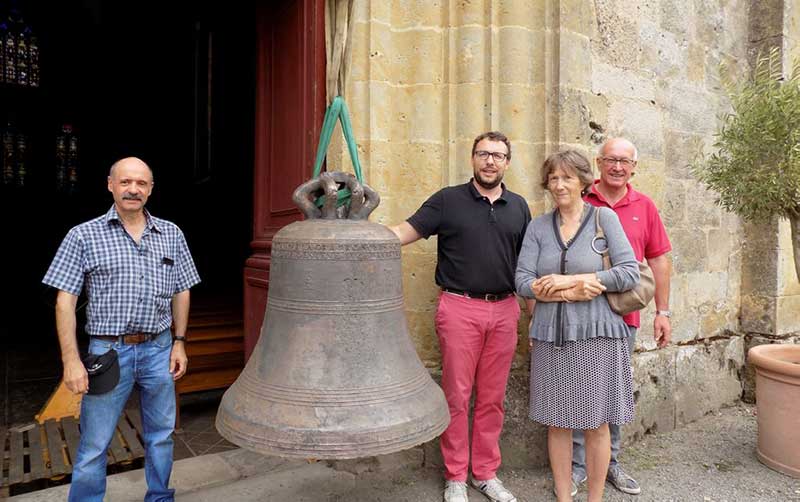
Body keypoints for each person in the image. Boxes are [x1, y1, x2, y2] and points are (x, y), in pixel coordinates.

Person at [42, 157, 201, 502]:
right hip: (107, 353)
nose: (133, 189)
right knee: (95, 443)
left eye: (141, 183)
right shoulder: (83, 235)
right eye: (126, 182)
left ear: (151, 189)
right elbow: (64, 303)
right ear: (110, 185)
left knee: (161, 435)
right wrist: (71, 361)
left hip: (159, 349)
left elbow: (182, 289)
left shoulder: (171, 233)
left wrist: (179, 342)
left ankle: (160, 497)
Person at [389, 131, 531, 502]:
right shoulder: (447, 201)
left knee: (492, 398)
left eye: (498, 155)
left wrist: (533, 315)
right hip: (459, 308)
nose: (490, 161)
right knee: (456, 395)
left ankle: (485, 473)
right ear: (472, 158)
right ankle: (455, 476)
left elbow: (527, 266)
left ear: (507, 162)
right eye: (483, 153)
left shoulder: (519, 207)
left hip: (504, 309)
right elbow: (404, 232)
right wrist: (359, 236)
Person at [515, 149, 639, 502]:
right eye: (553, 178)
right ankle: (564, 496)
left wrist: (583, 279)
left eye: (567, 177)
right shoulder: (538, 227)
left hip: (597, 332)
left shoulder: (604, 219)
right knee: (558, 421)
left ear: (584, 181)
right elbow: (522, 280)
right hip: (551, 334)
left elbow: (629, 272)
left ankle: (595, 498)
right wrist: (563, 290)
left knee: (597, 422)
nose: (558, 184)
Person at [570, 137, 673, 496]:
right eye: (611, 160)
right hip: (577, 315)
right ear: (598, 163)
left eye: (624, 162)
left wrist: (662, 311)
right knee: (577, 390)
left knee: (612, 393)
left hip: (621, 317)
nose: (617, 167)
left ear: (634, 168)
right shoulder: (580, 201)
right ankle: (578, 466)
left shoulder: (644, 206)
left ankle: (610, 462)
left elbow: (658, 259)